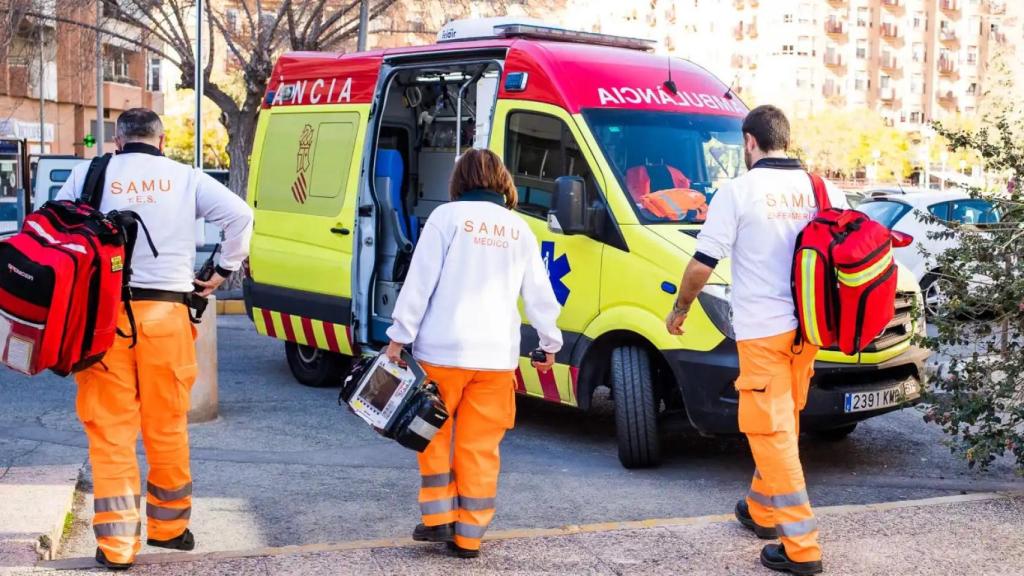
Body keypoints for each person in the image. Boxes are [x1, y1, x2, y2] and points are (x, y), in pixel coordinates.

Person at [56, 108, 253, 570]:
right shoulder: (184, 176)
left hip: (103, 320)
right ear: (162, 141)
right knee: (166, 425)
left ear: (119, 141)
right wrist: (221, 270)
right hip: (167, 315)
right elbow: (241, 215)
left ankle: (118, 547)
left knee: (111, 432)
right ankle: (169, 527)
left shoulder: (90, 174)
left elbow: (54, 230)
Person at [665, 105, 847, 576]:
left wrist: (681, 308)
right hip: (808, 333)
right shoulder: (822, 188)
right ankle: (761, 510)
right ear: (784, 140)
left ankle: (801, 547)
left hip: (764, 333)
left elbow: (703, 262)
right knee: (782, 422)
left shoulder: (738, 191)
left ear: (749, 142)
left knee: (772, 433)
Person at [384, 148, 562, 559]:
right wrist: (549, 343)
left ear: (459, 180)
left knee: (431, 433)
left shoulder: (445, 219)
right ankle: (469, 537)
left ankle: (437, 520)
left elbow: (419, 285)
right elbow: (539, 294)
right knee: (480, 446)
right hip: (496, 359)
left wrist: (398, 339)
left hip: (442, 352)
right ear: (501, 180)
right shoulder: (520, 229)